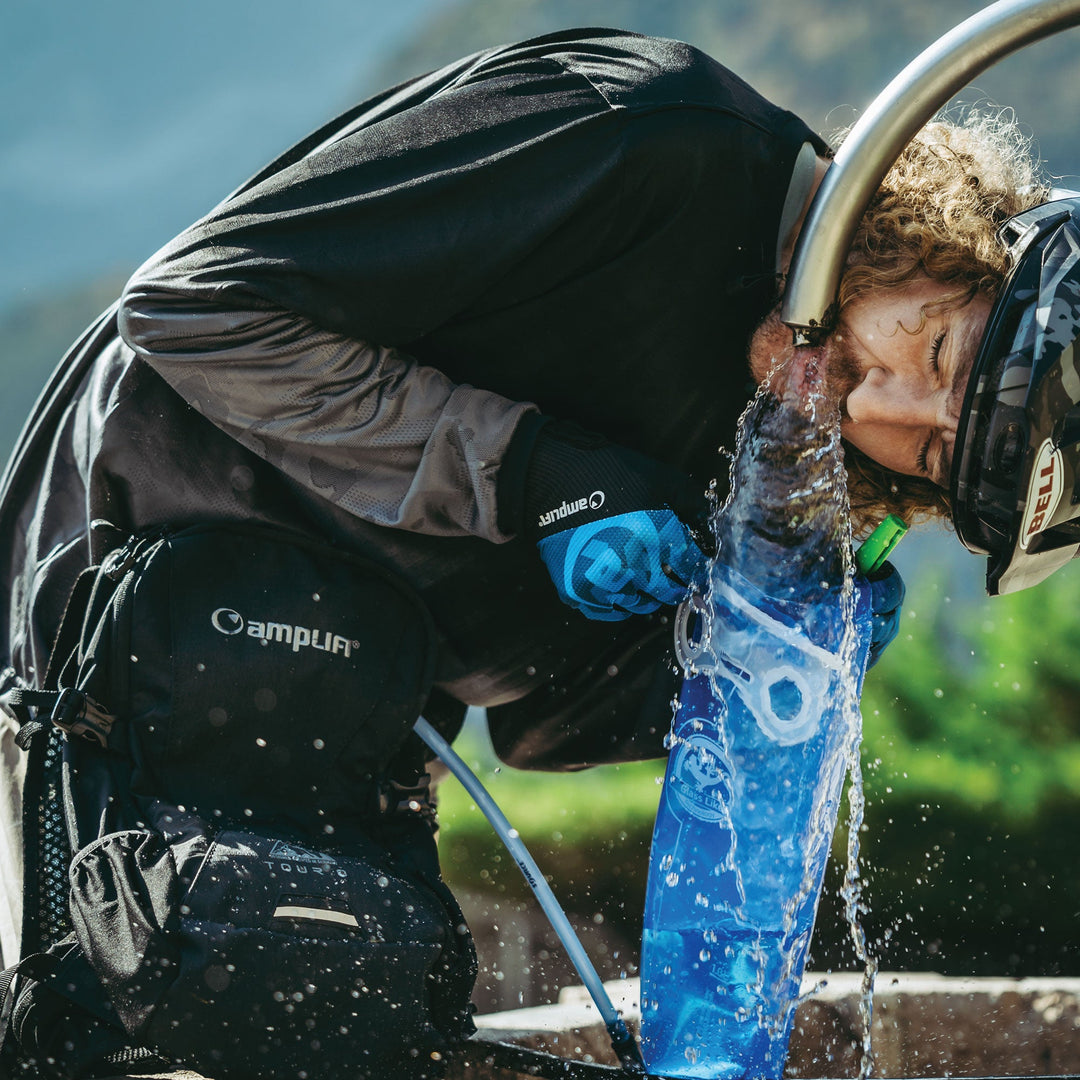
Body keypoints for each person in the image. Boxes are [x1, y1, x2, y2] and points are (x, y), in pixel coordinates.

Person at [0, 26, 1052, 1078]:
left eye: (928, 449)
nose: (877, 401)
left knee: (342, 1005)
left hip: (352, 711)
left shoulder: (764, 425)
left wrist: (736, 656)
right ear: (950, 240)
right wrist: (533, 473)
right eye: (943, 350)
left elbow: (543, 726)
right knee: (93, 1017)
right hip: (129, 617)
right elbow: (194, 308)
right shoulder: (651, 142)